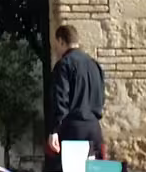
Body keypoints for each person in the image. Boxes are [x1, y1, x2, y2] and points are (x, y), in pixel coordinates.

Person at [46, 24, 107, 161]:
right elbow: (101, 97)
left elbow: (60, 99)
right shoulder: (94, 65)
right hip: (94, 128)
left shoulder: (64, 65)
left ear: (61, 41)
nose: (56, 49)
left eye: (56, 44)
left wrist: (54, 129)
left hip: (73, 129)